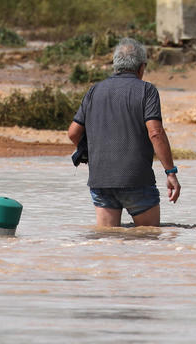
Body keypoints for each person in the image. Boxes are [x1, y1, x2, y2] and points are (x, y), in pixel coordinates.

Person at [67, 38, 181, 227]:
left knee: (109, 242)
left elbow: (73, 133)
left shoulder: (94, 90)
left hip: (101, 181)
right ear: (141, 67)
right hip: (136, 179)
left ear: (115, 65)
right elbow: (156, 133)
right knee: (149, 239)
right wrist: (170, 172)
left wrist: (89, 153)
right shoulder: (147, 90)